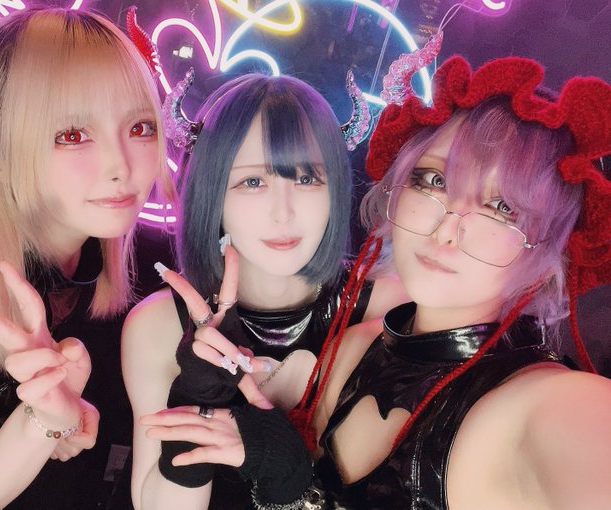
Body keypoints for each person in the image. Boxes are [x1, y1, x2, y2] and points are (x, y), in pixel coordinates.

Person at [140, 55, 611, 510]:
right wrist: (207, 408)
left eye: (502, 207)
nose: (447, 229)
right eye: (434, 180)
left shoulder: (555, 405)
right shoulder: (350, 350)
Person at [122, 71, 408, 509]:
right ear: (212, 194)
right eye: (253, 182)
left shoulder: (386, 311)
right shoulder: (157, 325)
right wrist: (196, 397)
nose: (283, 212)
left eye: (307, 179)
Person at [0, 6, 171, 509]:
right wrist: (43, 422)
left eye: (140, 127)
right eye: (72, 135)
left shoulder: (111, 259)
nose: (121, 165)